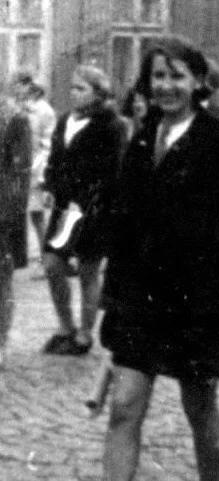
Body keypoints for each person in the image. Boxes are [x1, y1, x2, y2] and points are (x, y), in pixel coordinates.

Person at [100, 36, 219, 481]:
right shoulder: (143, 138)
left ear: (198, 81)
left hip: (193, 304)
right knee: (123, 407)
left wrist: (216, 307)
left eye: (177, 76)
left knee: (199, 409)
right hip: (140, 302)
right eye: (158, 76)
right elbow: (124, 225)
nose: (166, 86)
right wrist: (112, 298)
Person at [42, 65, 122, 356]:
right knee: (52, 265)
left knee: (89, 270)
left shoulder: (111, 125)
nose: (74, 94)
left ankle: (86, 334)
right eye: (72, 88)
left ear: (98, 93)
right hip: (64, 209)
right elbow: (54, 159)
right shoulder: (65, 120)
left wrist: (89, 201)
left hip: (93, 210)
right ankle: (65, 326)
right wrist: (50, 186)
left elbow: (113, 172)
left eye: (81, 89)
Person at [0, 82, 31, 369]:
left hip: (2, 215)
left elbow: (20, 174)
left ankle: (0, 342)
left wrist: (9, 217)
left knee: (1, 282)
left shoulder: (14, 119)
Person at [13, 72, 55, 253]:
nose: (14, 89)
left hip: (35, 170)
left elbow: (47, 144)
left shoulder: (44, 110)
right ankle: (19, 255)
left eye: (17, 85)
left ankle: (46, 255)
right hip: (19, 170)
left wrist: (38, 171)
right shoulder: (21, 108)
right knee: (19, 214)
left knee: (37, 215)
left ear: (27, 85)